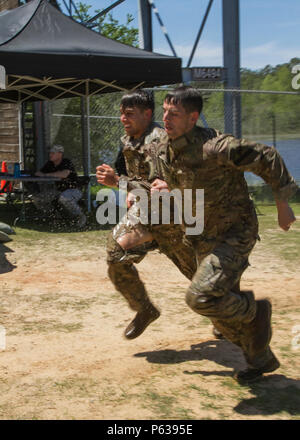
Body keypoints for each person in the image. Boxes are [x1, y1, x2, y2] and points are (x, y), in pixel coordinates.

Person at [149, 85, 298, 383]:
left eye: (174, 114)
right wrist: (157, 184)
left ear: (193, 118)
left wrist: (283, 204)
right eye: (164, 111)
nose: (166, 118)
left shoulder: (216, 147)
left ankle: (256, 313)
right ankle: (261, 359)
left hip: (235, 232)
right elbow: (158, 174)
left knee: (201, 297)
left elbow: (267, 157)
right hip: (201, 234)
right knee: (219, 310)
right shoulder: (161, 145)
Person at [96, 89, 198, 340]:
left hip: (174, 223)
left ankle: (226, 315)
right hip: (147, 219)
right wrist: (127, 186)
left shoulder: (159, 140)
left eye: (129, 114)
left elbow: (159, 189)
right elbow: (141, 182)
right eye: (121, 114)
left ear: (147, 114)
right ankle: (145, 309)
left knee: (202, 283)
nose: (123, 119)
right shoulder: (130, 141)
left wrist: (118, 183)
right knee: (115, 253)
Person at [33, 144, 86, 227]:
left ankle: (80, 216)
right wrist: (48, 174)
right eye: (50, 153)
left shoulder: (66, 162)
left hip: (74, 190)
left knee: (64, 197)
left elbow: (64, 174)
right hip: (59, 191)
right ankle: (54, 216)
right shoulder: (50, 164)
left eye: (53, 153)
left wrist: (47, 175)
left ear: (60, 154)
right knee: (37, 198)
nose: (50, 155)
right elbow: (38, 173)